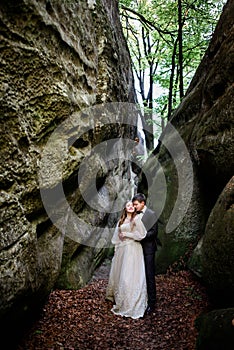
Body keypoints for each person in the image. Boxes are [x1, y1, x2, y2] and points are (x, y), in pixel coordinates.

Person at [106, 201, 148, 319]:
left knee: (129, 275)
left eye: (132, 205)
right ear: (125, 208)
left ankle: (130, 302)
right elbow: (116, 238)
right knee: (121, 274)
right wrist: (117, 248)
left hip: (133, 249)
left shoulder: (137, 219)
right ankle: (120, 298)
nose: (130, 207)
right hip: (122, 250)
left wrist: (127, 235)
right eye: (128, 205)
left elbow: (141, 235)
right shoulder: (122, 220)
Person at [132, 193, 158, 315]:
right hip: (136, 249)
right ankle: (140, 300)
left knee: (149, 275)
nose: (134, 206)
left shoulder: (151, 214)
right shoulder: (135, 214)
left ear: (143, 203)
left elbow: (153, 232)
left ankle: (152, 303)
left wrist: (140, 236)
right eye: (133, 204)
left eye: (136, 204)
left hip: (148, 250)